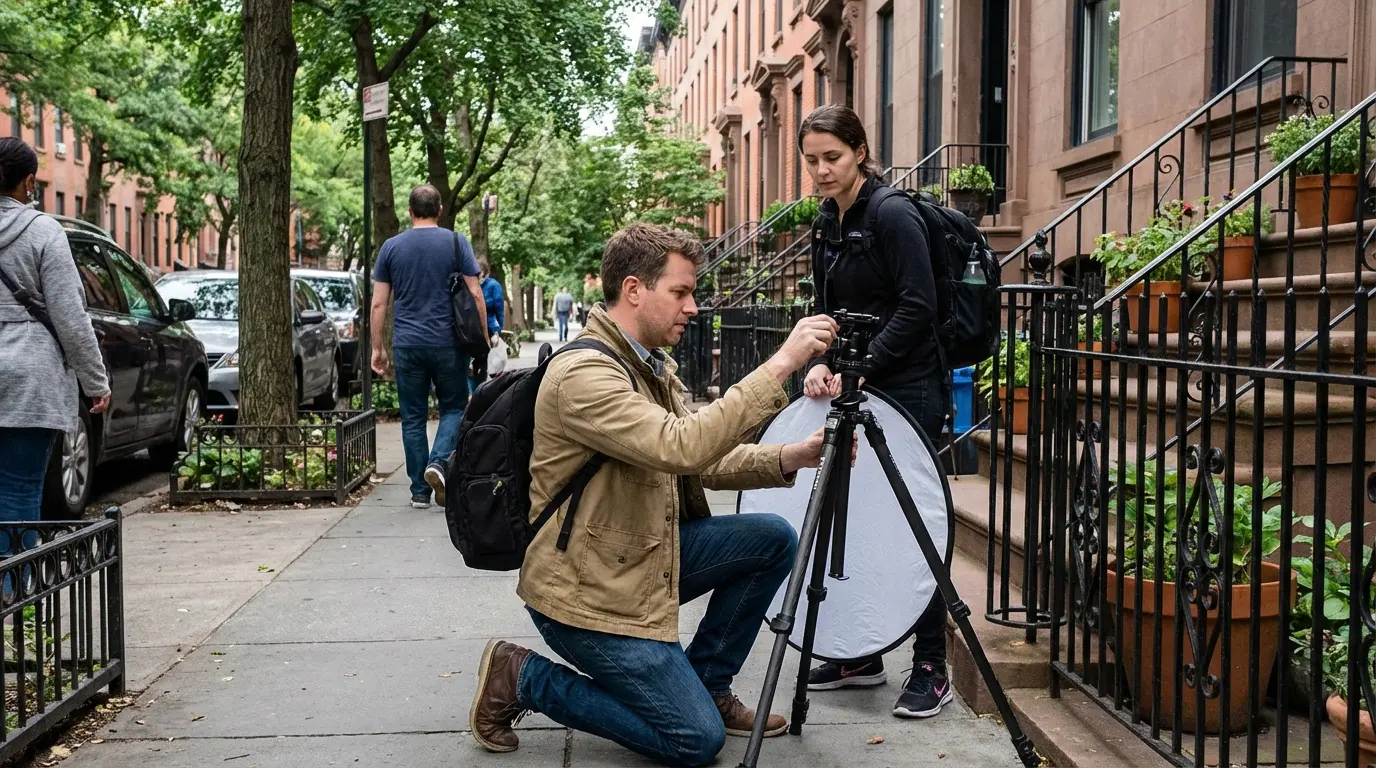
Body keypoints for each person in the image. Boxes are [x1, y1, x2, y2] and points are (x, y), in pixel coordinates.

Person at [468, 223, 845, 767]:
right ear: (633, 289)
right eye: (681, 292)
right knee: (695, 740)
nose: (692, 307)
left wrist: (792, 456)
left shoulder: (649, 367)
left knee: (771, 540)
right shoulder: (584, 375)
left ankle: (708, 683)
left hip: (634, 559)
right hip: (584, 596)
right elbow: (681, 445)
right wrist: (783, 363)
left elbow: (698, 462)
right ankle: (523, 677)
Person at [796, 104, 952, 719]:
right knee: (854, 517)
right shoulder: (824, 222)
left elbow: (921, 306)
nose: (821, 170)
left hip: (910, 386)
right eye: (811, 160)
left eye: (832, 157)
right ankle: (861, 655)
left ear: (860, 150)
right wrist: (816, 357)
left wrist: (859, 369)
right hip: (854, 383)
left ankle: (932, 663)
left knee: (916, 522)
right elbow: (825, 308)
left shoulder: (892, 214)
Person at [0, 137, 111, 536]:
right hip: (31, 377)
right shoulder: (44, 231)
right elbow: (69, 315)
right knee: (19, 486)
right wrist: (95, 381)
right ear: (29, 182)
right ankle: (15, 593)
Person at [370, 184, 487, 509]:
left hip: (407, 344)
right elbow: (475, 293)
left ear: (410, 211)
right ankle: (438, 463)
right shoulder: (455, 242)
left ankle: (419, 491)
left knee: (412, 417)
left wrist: (377, 348)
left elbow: (379, 304)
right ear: (439, 210)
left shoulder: (391, 248)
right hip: (449, 343)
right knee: (452, 407)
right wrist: (484, 339)